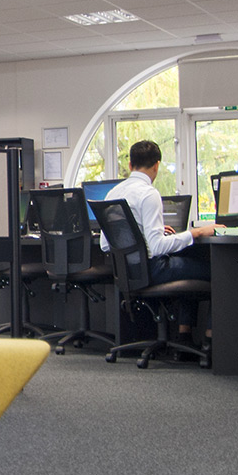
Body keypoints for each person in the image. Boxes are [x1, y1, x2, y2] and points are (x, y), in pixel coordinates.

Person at [99, 140, 215, 344]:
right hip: (152, 270)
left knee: (189, 261)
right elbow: (157, 247)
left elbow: (105, 244)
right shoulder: (148, 193)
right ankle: (209, 342)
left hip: (127, 272)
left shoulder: (112, 193)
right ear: (157, 165)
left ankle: (184, 336)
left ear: (130, 165)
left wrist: (142, 235)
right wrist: (195, 233)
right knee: (216, 272)